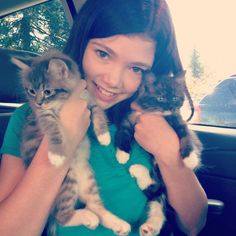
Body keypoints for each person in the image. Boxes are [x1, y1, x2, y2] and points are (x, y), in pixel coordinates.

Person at [0, 0, 208, 235]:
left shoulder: (152, 122)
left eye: (136, 68)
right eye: (103, 53)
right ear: (82, 44)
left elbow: (193, 225)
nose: (113, 80)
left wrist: (171, 156)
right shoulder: (30, 118)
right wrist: (60, 142)